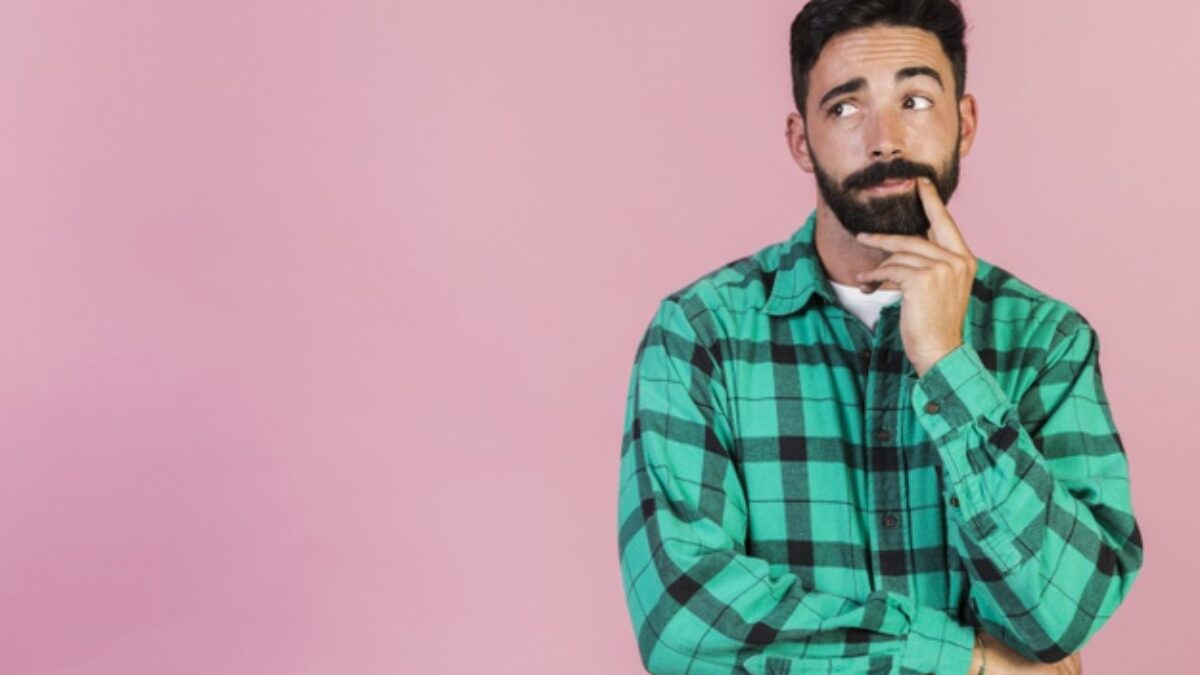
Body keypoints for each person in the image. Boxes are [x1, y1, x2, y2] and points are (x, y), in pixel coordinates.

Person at [614, 1, 1144, 673]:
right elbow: (684, 624)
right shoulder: (701, 336)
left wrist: (947, 363)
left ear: (965, 123)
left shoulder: (1046, 340)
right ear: (800, 140)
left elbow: (1063, 616)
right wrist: (968, 662)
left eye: (915, 101)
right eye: (844, 108)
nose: (884, 139)